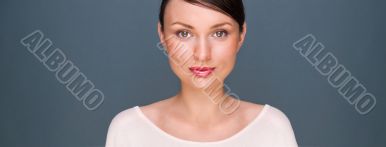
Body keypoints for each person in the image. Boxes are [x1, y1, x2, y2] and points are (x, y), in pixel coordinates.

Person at [105, 0, 298, 146]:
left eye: (219, 33)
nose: (202, 54)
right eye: (184, 33)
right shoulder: (129, 130)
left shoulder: (271, 128)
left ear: (241, 35)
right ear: (162, 35)